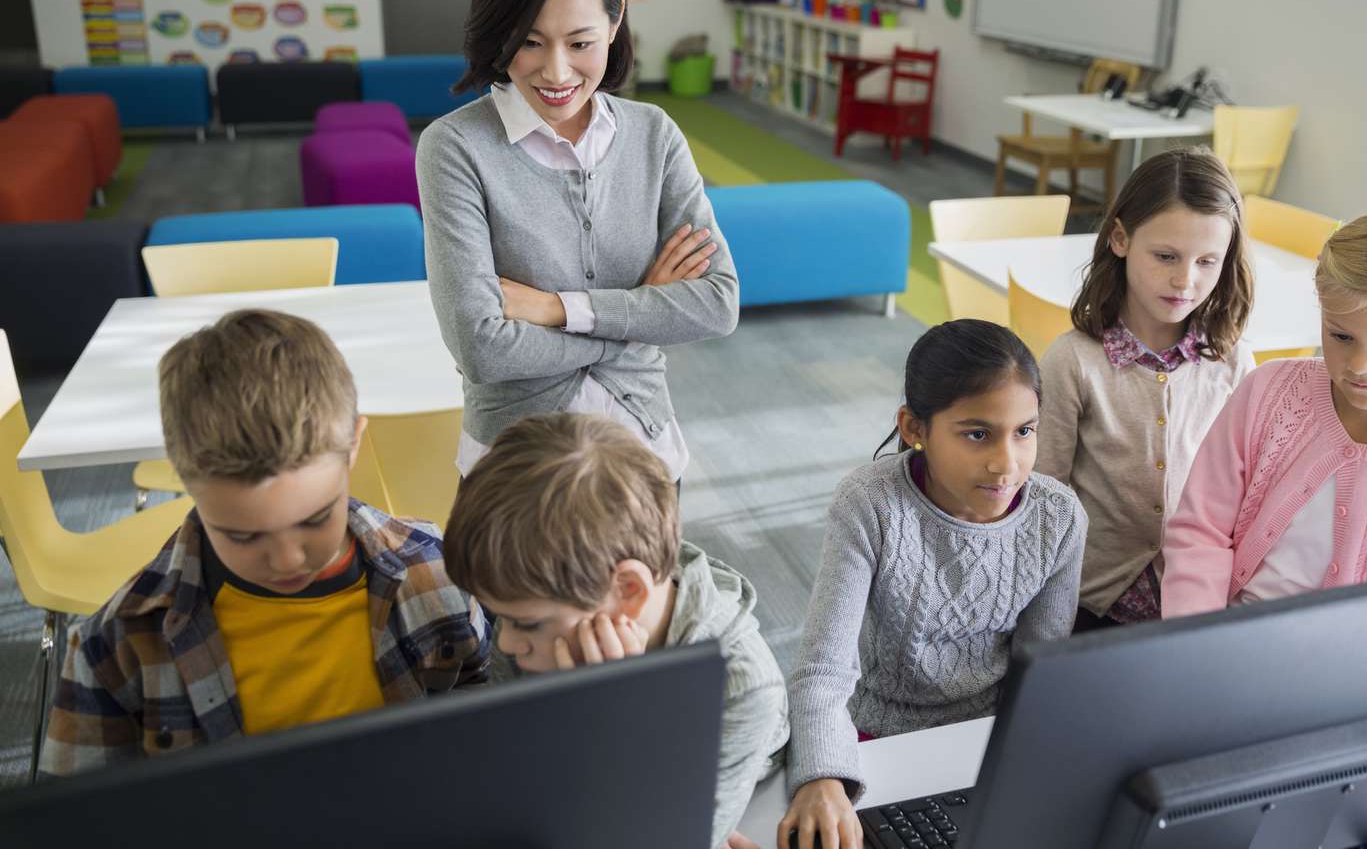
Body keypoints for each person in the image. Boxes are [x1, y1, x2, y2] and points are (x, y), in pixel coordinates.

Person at [40, 310, 491, 776]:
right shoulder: (115, 647)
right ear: (182, 477)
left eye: (316, 519)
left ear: (354, 444)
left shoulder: (435, 576)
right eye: (242, 535)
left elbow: (481, 719)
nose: (286, 559)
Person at [416, 0, 737, 485]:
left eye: (580, 42)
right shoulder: (456, 148)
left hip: (646, 458)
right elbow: (481, 348)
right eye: (529, 42)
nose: (556, 71)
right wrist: (637, 317)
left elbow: (716, 303)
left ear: (615, 23)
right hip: (517, 471)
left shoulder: (653, 135)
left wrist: (557, 309)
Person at [779, 320, 1087, 849]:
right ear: (913, 428)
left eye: (1025, 431)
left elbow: (1041, 676)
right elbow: (822, 670)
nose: (1005, 462)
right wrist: (820, 777)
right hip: (874, 740)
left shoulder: (1059, 517)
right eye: (977, 433)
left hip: (986, 743)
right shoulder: (869, 503)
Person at [442, 412, 787, 849]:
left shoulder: (741, 686)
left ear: (627, 590)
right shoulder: (537, 607)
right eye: (499, 617)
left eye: (525, 623)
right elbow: (513, 779)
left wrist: (607, 723)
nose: (505, 642)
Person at [1162, 208, 1367, 617]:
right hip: (1210, 641)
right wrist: (1199, 640)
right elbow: (1200, 530)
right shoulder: (1268, 391)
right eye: (1341, 335)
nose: (1359, 365)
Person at [1035, 148, 1255, 628]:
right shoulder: (1073, 360)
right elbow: (1042, 496)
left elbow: (1246, 493)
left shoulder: (1234, 362)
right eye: (1166, 256)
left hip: (1197, 604)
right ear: (1120, 238)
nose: (1185, 279)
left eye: (1207, 262)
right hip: (1088, 602)